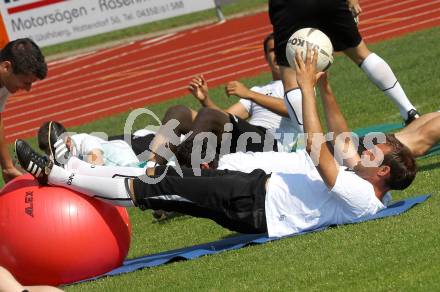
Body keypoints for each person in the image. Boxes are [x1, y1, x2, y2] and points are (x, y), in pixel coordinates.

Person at [15, 47, 417, 238]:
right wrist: (325, 88)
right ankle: (68, 169)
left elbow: (318, 145)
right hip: (251, 188)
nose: (364, 148)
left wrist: (308, 90)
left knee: (158, 189)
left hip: (254, 203)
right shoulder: (362, 179)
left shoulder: (364, 198)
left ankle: (54, 174)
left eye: (372, 152)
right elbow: (340, 136)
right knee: (161, 182)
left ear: (382, 171)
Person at [148, 33, 299, 166]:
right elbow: (224, 117)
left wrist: (249, 94)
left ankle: (187, 166)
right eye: (272, 50)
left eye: (280, 49)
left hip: (273, 144)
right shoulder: (258, 90)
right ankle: (151, 166)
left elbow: (294, 111)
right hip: (247, 140)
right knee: (179, 112)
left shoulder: (298, 85)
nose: (277, 54)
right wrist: (205, 100)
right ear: (266, 57)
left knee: (208, 115)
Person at [269, 0, 420, 128]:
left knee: (291, 79)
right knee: (362, 54)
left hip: (288, 6)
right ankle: (409, 111)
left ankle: (308, 143)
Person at [0, 38, 47, 182]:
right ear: (6, 67)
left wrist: (7, 166)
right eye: (26, 82)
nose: (28, 89)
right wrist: (8, 166)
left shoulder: (5, 80)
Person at [37, 121, 155, 167]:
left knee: (163, 143)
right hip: (113, 146)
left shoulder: (85, 142)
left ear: (68, 141)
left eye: (53, 149)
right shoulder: (54, 157)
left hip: (134, 148)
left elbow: (96, 166)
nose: (52, 155)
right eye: (48, 152)